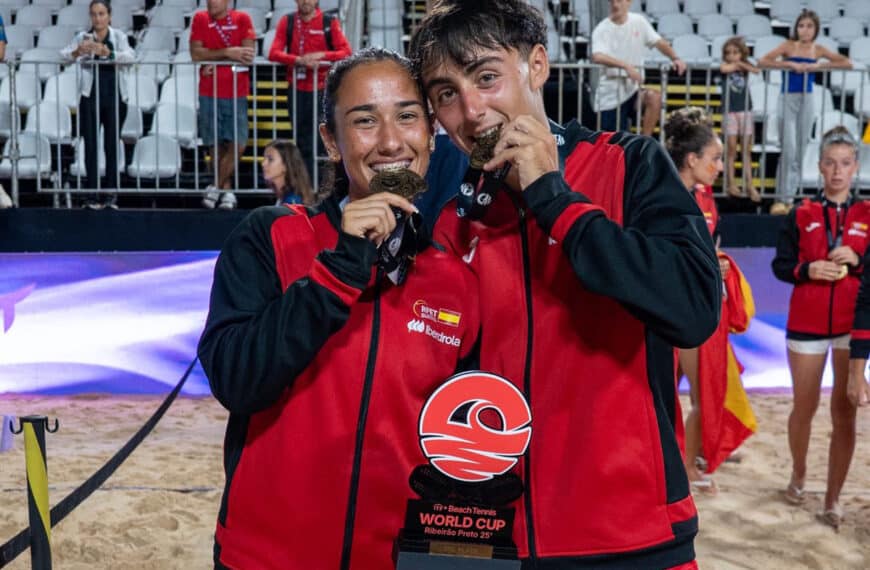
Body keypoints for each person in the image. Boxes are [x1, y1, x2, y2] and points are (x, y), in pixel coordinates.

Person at [409, 1, 720, 567]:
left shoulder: (630, 164)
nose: (472, 110)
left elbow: (695, 309)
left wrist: (555, 200)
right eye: (446, 94)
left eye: (485, 77)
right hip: (496, 536)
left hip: (633, 536)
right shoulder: (453, 220)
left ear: (537, 66)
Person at [198, 47, 480, 568]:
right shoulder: (272, 237)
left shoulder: (456, 279)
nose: (391, 141)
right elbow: (236, 380)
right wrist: (339, 271)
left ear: (432, 134)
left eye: (408, 116)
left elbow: (462, 450)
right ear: (331, 140)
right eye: (365, 121)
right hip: (263, 558)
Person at [771, 126, 869, 531]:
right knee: (804, 408)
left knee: (844, 415)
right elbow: (781, 266)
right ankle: (798, 474)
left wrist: (859, 261)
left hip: (852, 327)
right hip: (807, 323)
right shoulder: (801, 213)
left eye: (845, 163)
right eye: (830, 163)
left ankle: (832, 499)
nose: (837, 171)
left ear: (856, 167)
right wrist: (807, 269)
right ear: (819, 166)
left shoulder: (867, 215)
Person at [665, 107, 757, 495]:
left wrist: (713, 264)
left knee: (700, 388)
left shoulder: (704, 197)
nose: (721, 166)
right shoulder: (663, 198)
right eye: (716, 158)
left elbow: (705, 246)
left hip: (700, 303)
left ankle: (694, 456)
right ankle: (685, 470)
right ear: (692, 160)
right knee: (694, 392)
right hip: (675, 307)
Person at [758, 9, 852, 216]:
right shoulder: (788, 46)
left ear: (815, 29)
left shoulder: (817, 49)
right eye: (801, 26)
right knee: (789, 147)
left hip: (807, 98)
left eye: (809, 26)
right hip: (787, 98)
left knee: (800, 149)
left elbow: (846, 63)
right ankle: (781, 198)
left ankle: (789, 198)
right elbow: (763, 61)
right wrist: (787, 64)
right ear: (796, 28)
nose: (805, 30)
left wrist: (819, 67)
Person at [61, 0, 135, 210]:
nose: (98, 18)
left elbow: (131, 57)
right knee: (91, 145)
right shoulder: (83, 37)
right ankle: (91, 193)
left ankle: (111, 193)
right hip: (90, 96)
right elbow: (62, 56)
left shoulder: (119, 36)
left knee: (111, 144)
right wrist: (77, 52)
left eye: (102, 14)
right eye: (94, 14)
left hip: (114, 95)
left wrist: (108, 53)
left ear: (109, 16)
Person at [268, 0, 352, 180]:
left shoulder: (329, 22)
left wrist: (322, 56)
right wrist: (298, 60)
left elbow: (346, 51)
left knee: (323, 139)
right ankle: (307, 187)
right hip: (297, 89)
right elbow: (273, 53)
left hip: (323, 90)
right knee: (301, 140)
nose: (306, 1)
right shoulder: (287, 21)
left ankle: (326, 186)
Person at [190, 0, 256, 210]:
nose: (210, 2)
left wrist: (215, 57)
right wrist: (228, 53)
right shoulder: (200, 19)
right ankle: (226, 190)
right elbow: (196, 54)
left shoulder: (242, 19)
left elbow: (247, 54)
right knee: (215, 143)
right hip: (209, 90)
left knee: (238, 142)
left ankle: (216, 187)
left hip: (236, 91)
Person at [590, 0, 686, 135]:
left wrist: (675, 58)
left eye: (619, 1)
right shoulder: (602, 28)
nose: (615, 5)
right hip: (610, 94)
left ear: (629, 2)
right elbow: (597, 56)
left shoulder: (639, 21)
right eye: (612, 1)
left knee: (654, 97)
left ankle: (644, 142)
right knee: (613, 142)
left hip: (633, 89)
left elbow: (658, 41)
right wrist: (626, 66)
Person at [719, 36, 760, 202]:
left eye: (735, 52)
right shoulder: (725, 66)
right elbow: (723, 69)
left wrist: (740, 64)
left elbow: (756, 70)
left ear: (742, 53)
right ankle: (731, 183)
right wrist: (738, 65)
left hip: (745, 110)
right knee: (730, 149)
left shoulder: (745, 66)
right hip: (730, 111)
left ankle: (749, 184)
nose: (731, 56)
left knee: (746, 150)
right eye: (728, 53)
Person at [261, 138, 315, 206]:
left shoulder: (293, 201)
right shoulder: (283, 197)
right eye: (264, 158)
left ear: (286, 165)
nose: (263, 163)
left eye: (270, 159)